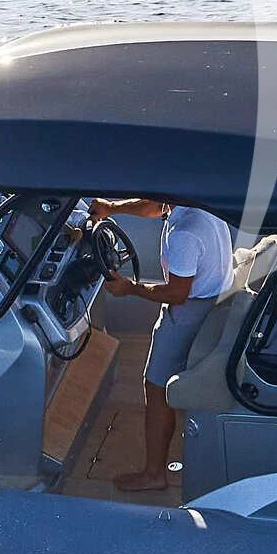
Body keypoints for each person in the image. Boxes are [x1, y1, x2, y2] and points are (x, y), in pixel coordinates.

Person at [92, 196, 237, 494]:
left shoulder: (185, 233)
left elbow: (176, 294)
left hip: (188, 313)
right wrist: (111, 208)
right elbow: (154, 206)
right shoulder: (204, 206)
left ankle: (155, 474)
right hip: (215, 302)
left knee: (155, 387)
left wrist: (129, 288)